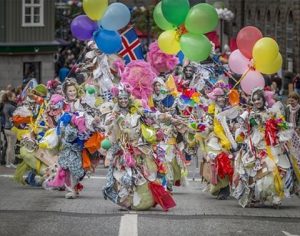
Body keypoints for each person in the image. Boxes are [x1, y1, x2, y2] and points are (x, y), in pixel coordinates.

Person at [232, 88, 299, 208]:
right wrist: (245, 124)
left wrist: (278, 127)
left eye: (259, 99)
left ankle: (275, 197)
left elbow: (281, 126)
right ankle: (252, 196)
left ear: (264, 99)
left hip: (270, 144)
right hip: (254, 144)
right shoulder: (249, 113)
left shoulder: (271, 112)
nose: (257, 101)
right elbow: (244, 129)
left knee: (273, 169)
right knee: (252, 170)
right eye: (254, 100)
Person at [2, 91, 17, 168]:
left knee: (9, 146)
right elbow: (16, 117)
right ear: (9, 97)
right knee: (11, 146)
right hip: (11, 128)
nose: (16, 98)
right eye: (14, 97)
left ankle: (9, 162)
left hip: (6, 128)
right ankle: (9, 162)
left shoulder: (5, 105)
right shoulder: (12, 107)